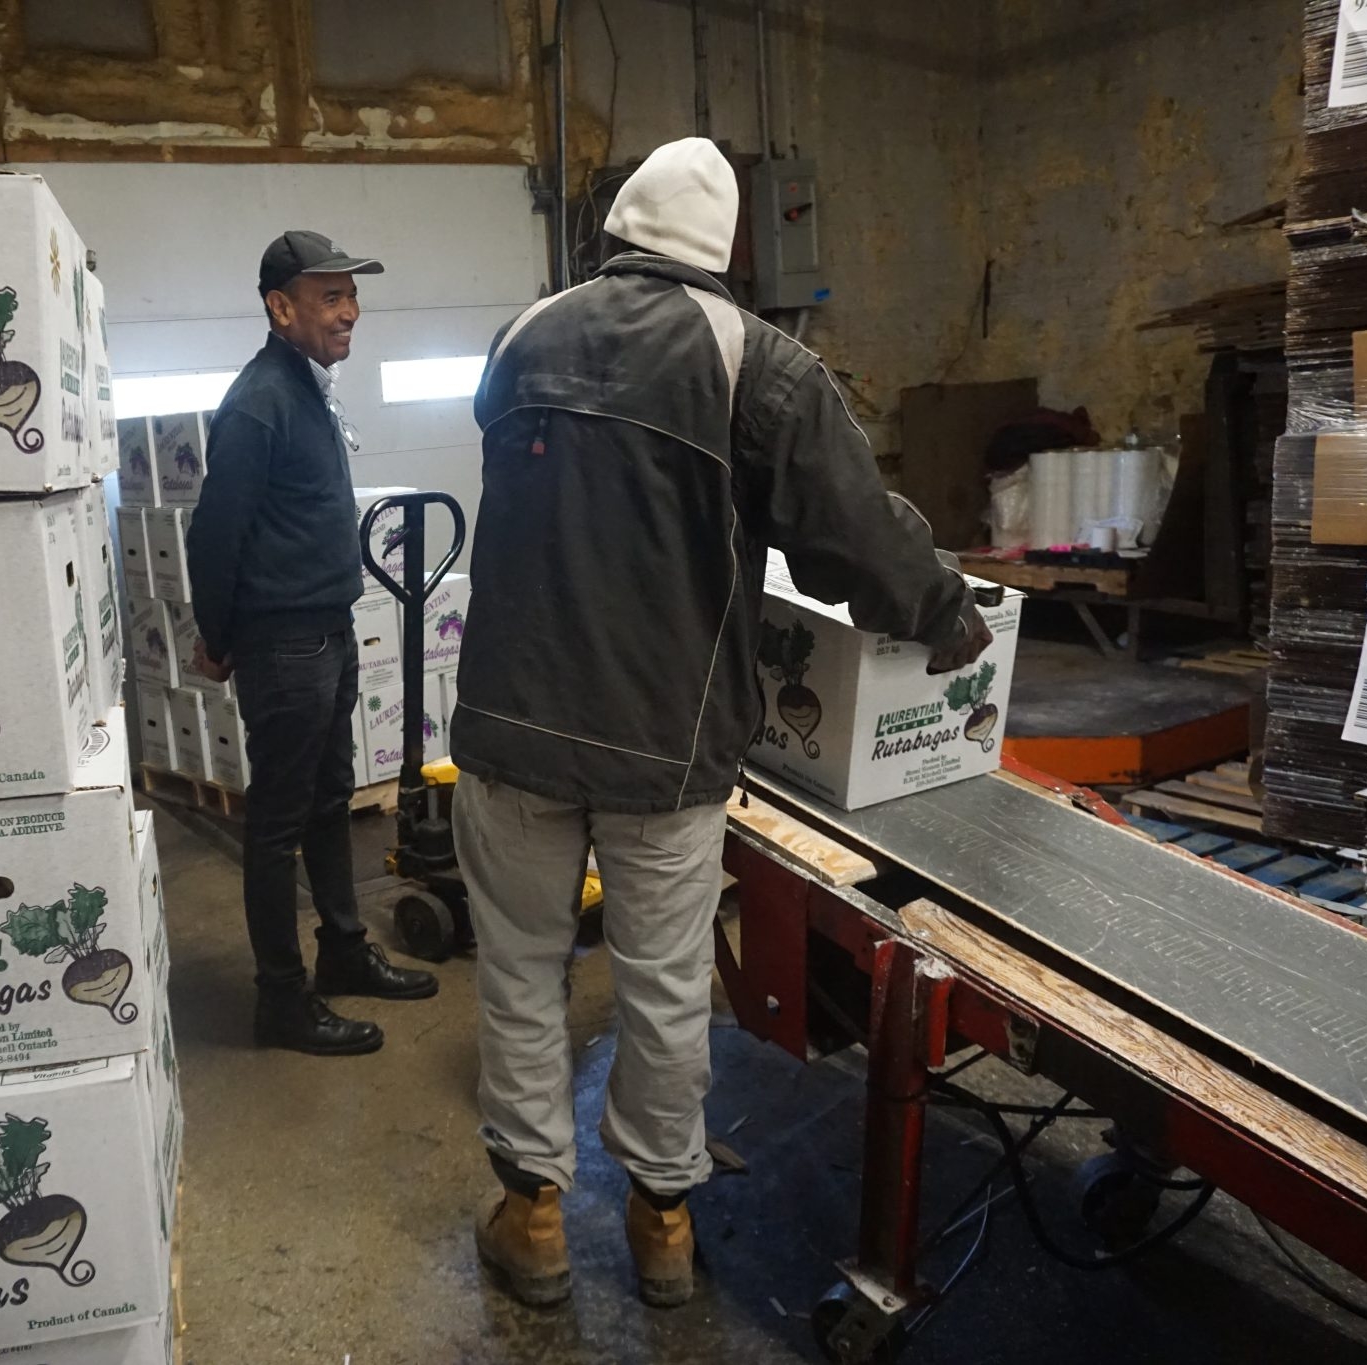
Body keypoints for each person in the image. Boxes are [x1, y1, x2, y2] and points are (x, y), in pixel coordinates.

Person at [452, 138, 993, 1308]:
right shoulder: (761, 365)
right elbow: (853, 532)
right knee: (658, 988)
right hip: (666, 745)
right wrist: (944, 612)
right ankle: (659, 1226)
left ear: (617, 229)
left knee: (520, 971)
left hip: (509, 728)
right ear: (724, 250)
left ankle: (534, 1216)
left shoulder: (520, 335)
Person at [185, 230, 439, 1057]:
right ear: (280, 306)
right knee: (277, 825)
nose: (350, 313)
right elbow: (215, 533)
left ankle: (341, 950)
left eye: (352, 296)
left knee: (331, 802)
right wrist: (218, 636)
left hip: (327, 630)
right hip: (285, 642)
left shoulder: (305, 386)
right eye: (331, 297)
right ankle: (281, 1000)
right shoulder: (259, 402)